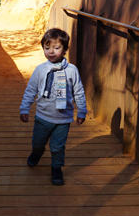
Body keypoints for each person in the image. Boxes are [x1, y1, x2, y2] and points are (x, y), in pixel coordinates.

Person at [19, 28, 89, 185]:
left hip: (63, 120)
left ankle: (56, 168)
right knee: (37, 143)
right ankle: (36, 154)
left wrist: (82, 111)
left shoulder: (72, 71)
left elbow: (78, 92)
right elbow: (31, 90)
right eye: (47, 47)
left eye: (56, 48)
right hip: (42, 117)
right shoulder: (40, 70)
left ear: (65, 49)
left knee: (57, 147)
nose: (51, 52)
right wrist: (24, 108)